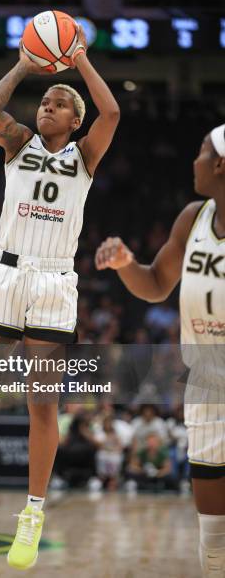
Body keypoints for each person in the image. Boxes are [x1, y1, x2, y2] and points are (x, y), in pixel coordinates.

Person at [0, 25, 120, 570]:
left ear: (75, 121)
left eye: (58, 103)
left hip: (52, 281)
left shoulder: (86, 157)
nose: (47, 106)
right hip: (6, 272)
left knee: (45, 404)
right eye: (44, 100)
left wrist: (79, 61)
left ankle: (33, 513)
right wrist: (25, 65)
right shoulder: (18, 143)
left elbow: (111, 113)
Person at [95, 124, 225, 577]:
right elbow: (153, 285)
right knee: (212, 528)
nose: (194, 161)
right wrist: (126, 263)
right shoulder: (193, 218)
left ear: (221, 165)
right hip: (206, 376)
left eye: (201, 152)